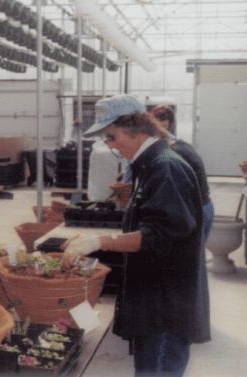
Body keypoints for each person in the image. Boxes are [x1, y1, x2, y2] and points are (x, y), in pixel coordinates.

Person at [65, 94, 210, 377]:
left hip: (166, 306)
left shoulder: (166, 167)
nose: (110, 145)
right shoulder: (147, 165)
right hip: (153, 296)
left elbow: (157, 235)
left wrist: (99, 242)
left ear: (135, 128)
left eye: (112, 136)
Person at [151, 105, 214, 243]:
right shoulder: (180, 145)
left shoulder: (171, 154)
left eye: (164, 126)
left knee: (191, 260)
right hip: (204, 208)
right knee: (196, 260)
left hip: (196, 211)